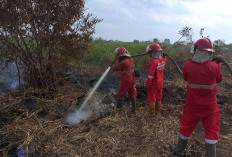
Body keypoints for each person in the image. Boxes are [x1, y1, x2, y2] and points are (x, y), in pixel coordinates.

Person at [170, 38, 223, 157]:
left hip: (193, 106)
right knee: (211, 133)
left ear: (198, 51)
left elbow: (185, 77)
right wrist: (217, 64)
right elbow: (219, 79)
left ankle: (178, 151)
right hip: (211, 108)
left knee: (186, 128)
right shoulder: (215, 67)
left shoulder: (188, 65)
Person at [111, 47, 137, 113]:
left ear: (120, 55)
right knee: (132, 93)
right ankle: (134, 110)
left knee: (120, 94)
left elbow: (116, 69)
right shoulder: (131, 59)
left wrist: (112, 66)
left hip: (126, 80)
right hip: (132, 79)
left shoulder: (123, 62)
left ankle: (119, 111)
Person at [145, 43, 167, 116]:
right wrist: (164, 56)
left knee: (152, 97)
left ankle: (152, 113)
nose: (149, 55)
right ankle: (158, 112)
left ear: (153, 53)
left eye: (150, 53)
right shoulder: (162, 60)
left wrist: (148, 83)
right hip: (160, 82)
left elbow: (150, 76)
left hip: (154, 83)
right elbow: (165, 59)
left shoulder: (153, 62)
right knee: (158, 97)